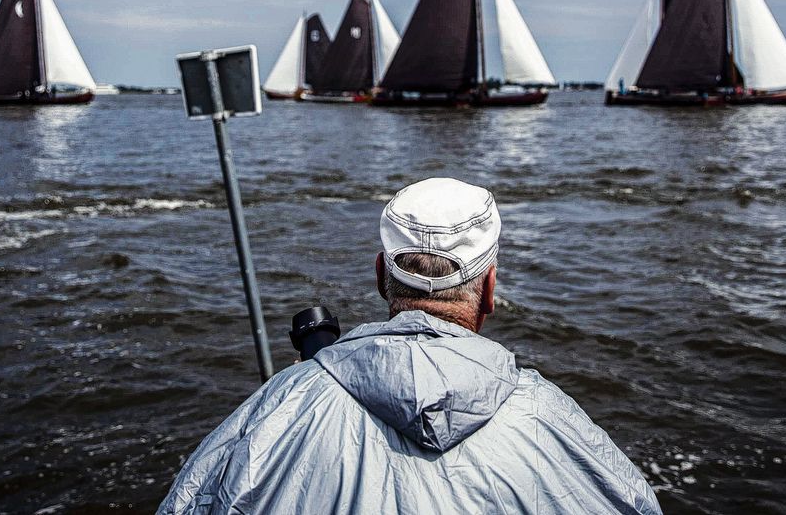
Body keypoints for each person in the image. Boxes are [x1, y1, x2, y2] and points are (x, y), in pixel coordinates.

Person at [158, 177, 662, 515]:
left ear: (382, 277)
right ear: (489, 288)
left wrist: (301, 387)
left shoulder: (278, 407)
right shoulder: (554, 420)